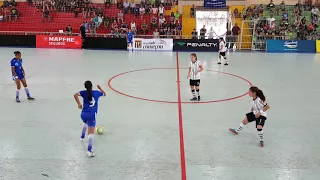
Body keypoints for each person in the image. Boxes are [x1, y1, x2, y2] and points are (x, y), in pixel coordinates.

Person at [74, 81, 106, 157]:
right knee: (91, 134)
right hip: (92, 115)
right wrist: (100, 88)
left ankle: (82, 137)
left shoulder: (83, 92)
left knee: (85, 123)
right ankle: (89, 150)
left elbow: (75, 95)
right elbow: (104, 94)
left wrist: (79, 104)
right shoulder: (97, 93)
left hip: (83, 114)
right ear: (92, 86)